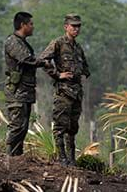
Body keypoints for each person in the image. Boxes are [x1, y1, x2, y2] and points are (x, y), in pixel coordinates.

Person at [39, 13, 90, 166]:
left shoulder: (78, 47)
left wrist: (84, 73)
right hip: (63, 92)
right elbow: (43, 59)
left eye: (78, 26)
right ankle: (61, 158)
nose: (76, 29)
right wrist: (57, 74)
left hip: (76, 92)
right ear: (66, 27)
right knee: (60, 125)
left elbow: (85, 67)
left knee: (73, 127)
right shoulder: (58, 43)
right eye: (73, 26)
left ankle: (71, 158)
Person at [3, 11, 48, 156]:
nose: (33, 27)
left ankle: (16, 158)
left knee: (23, 127)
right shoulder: (12, 42)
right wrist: (44, 62)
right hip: (17, 93)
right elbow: (26, 59)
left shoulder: (23, 43)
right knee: (16, 126)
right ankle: (8, 158)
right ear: (23, 25)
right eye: (31, 24)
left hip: (25, 92)